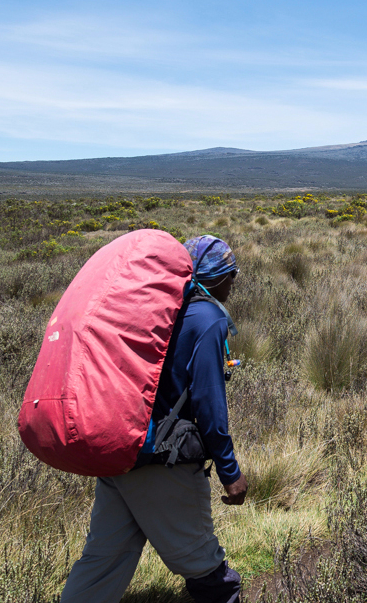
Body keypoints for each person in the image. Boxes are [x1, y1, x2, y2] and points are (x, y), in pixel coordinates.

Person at [60, 235, 249, 603]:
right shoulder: (207, 319)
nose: (234, 282)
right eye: (231, 273)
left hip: (122, 451)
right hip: (164, 463)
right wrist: (230, 473)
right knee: (210, 574)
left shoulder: (157, 311)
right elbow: (209, 406)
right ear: (216, 276)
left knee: (102, 564)